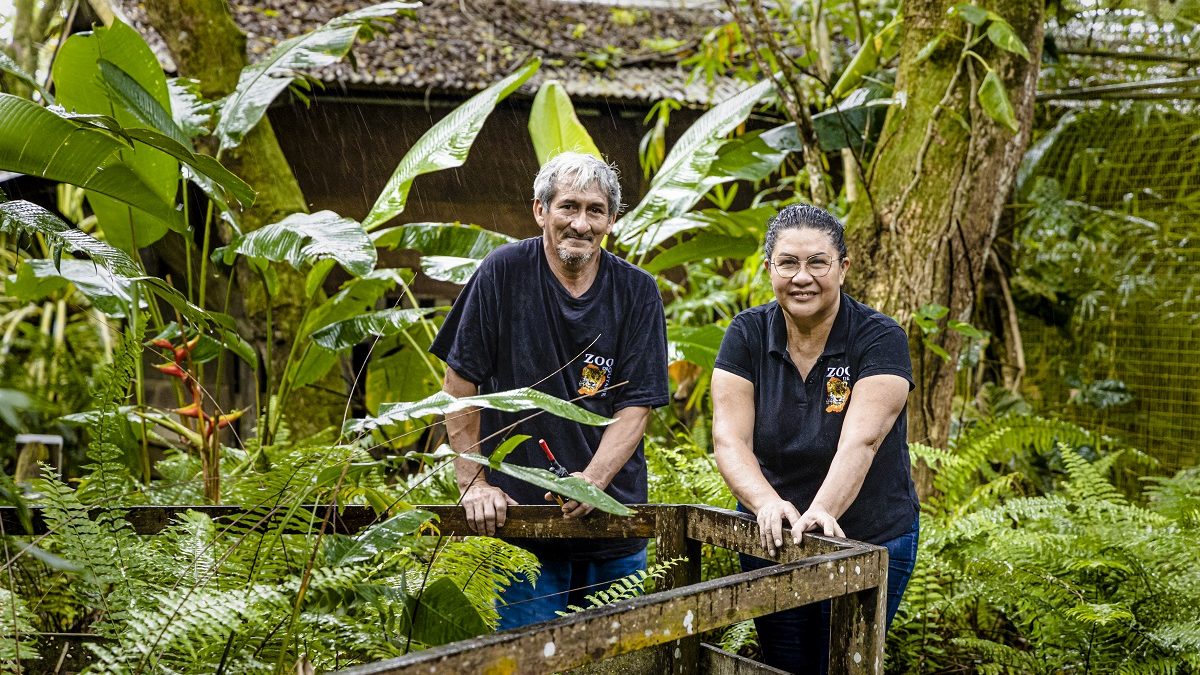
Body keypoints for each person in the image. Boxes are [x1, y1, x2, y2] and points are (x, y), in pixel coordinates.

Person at [429, 152, 669, 630]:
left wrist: (594, 480)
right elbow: (460, 385)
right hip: (520, 530)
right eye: (568, 207)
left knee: (615, 664)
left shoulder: (638, 292)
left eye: (595, 210)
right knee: (527, 661)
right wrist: (473, 482)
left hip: (613, 527)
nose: (581, 223)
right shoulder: (501, 273)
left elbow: (637, 404)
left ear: (611, 221)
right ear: (541, 211)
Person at [711, 204, 920, 674]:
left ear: (843, 268)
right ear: (769, 268)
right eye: (788, 263)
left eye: (817, 262)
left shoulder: (880, 338)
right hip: (774, 541)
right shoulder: (746, 334)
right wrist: (766, 503)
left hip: (868, 535)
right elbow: (729, 440)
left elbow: (860, 443)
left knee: (842, 665)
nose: (802, 277)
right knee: (785, 666)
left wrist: (822, 512)